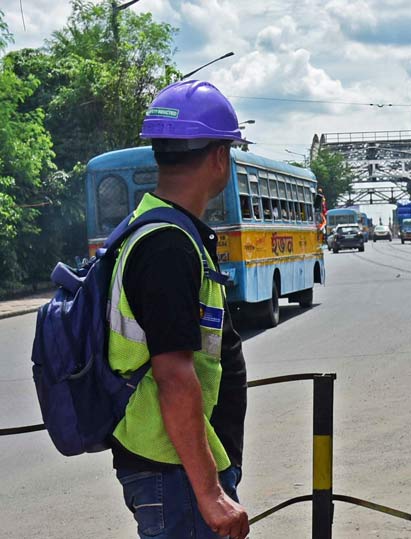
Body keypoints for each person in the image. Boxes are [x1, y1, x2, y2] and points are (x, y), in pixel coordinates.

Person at [108, 80, 250, 539]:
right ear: (219, 157)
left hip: (180, 466)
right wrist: (209, 492)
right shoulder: (169, 246)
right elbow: (173, 374)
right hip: (177, 473)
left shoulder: (160, 230)